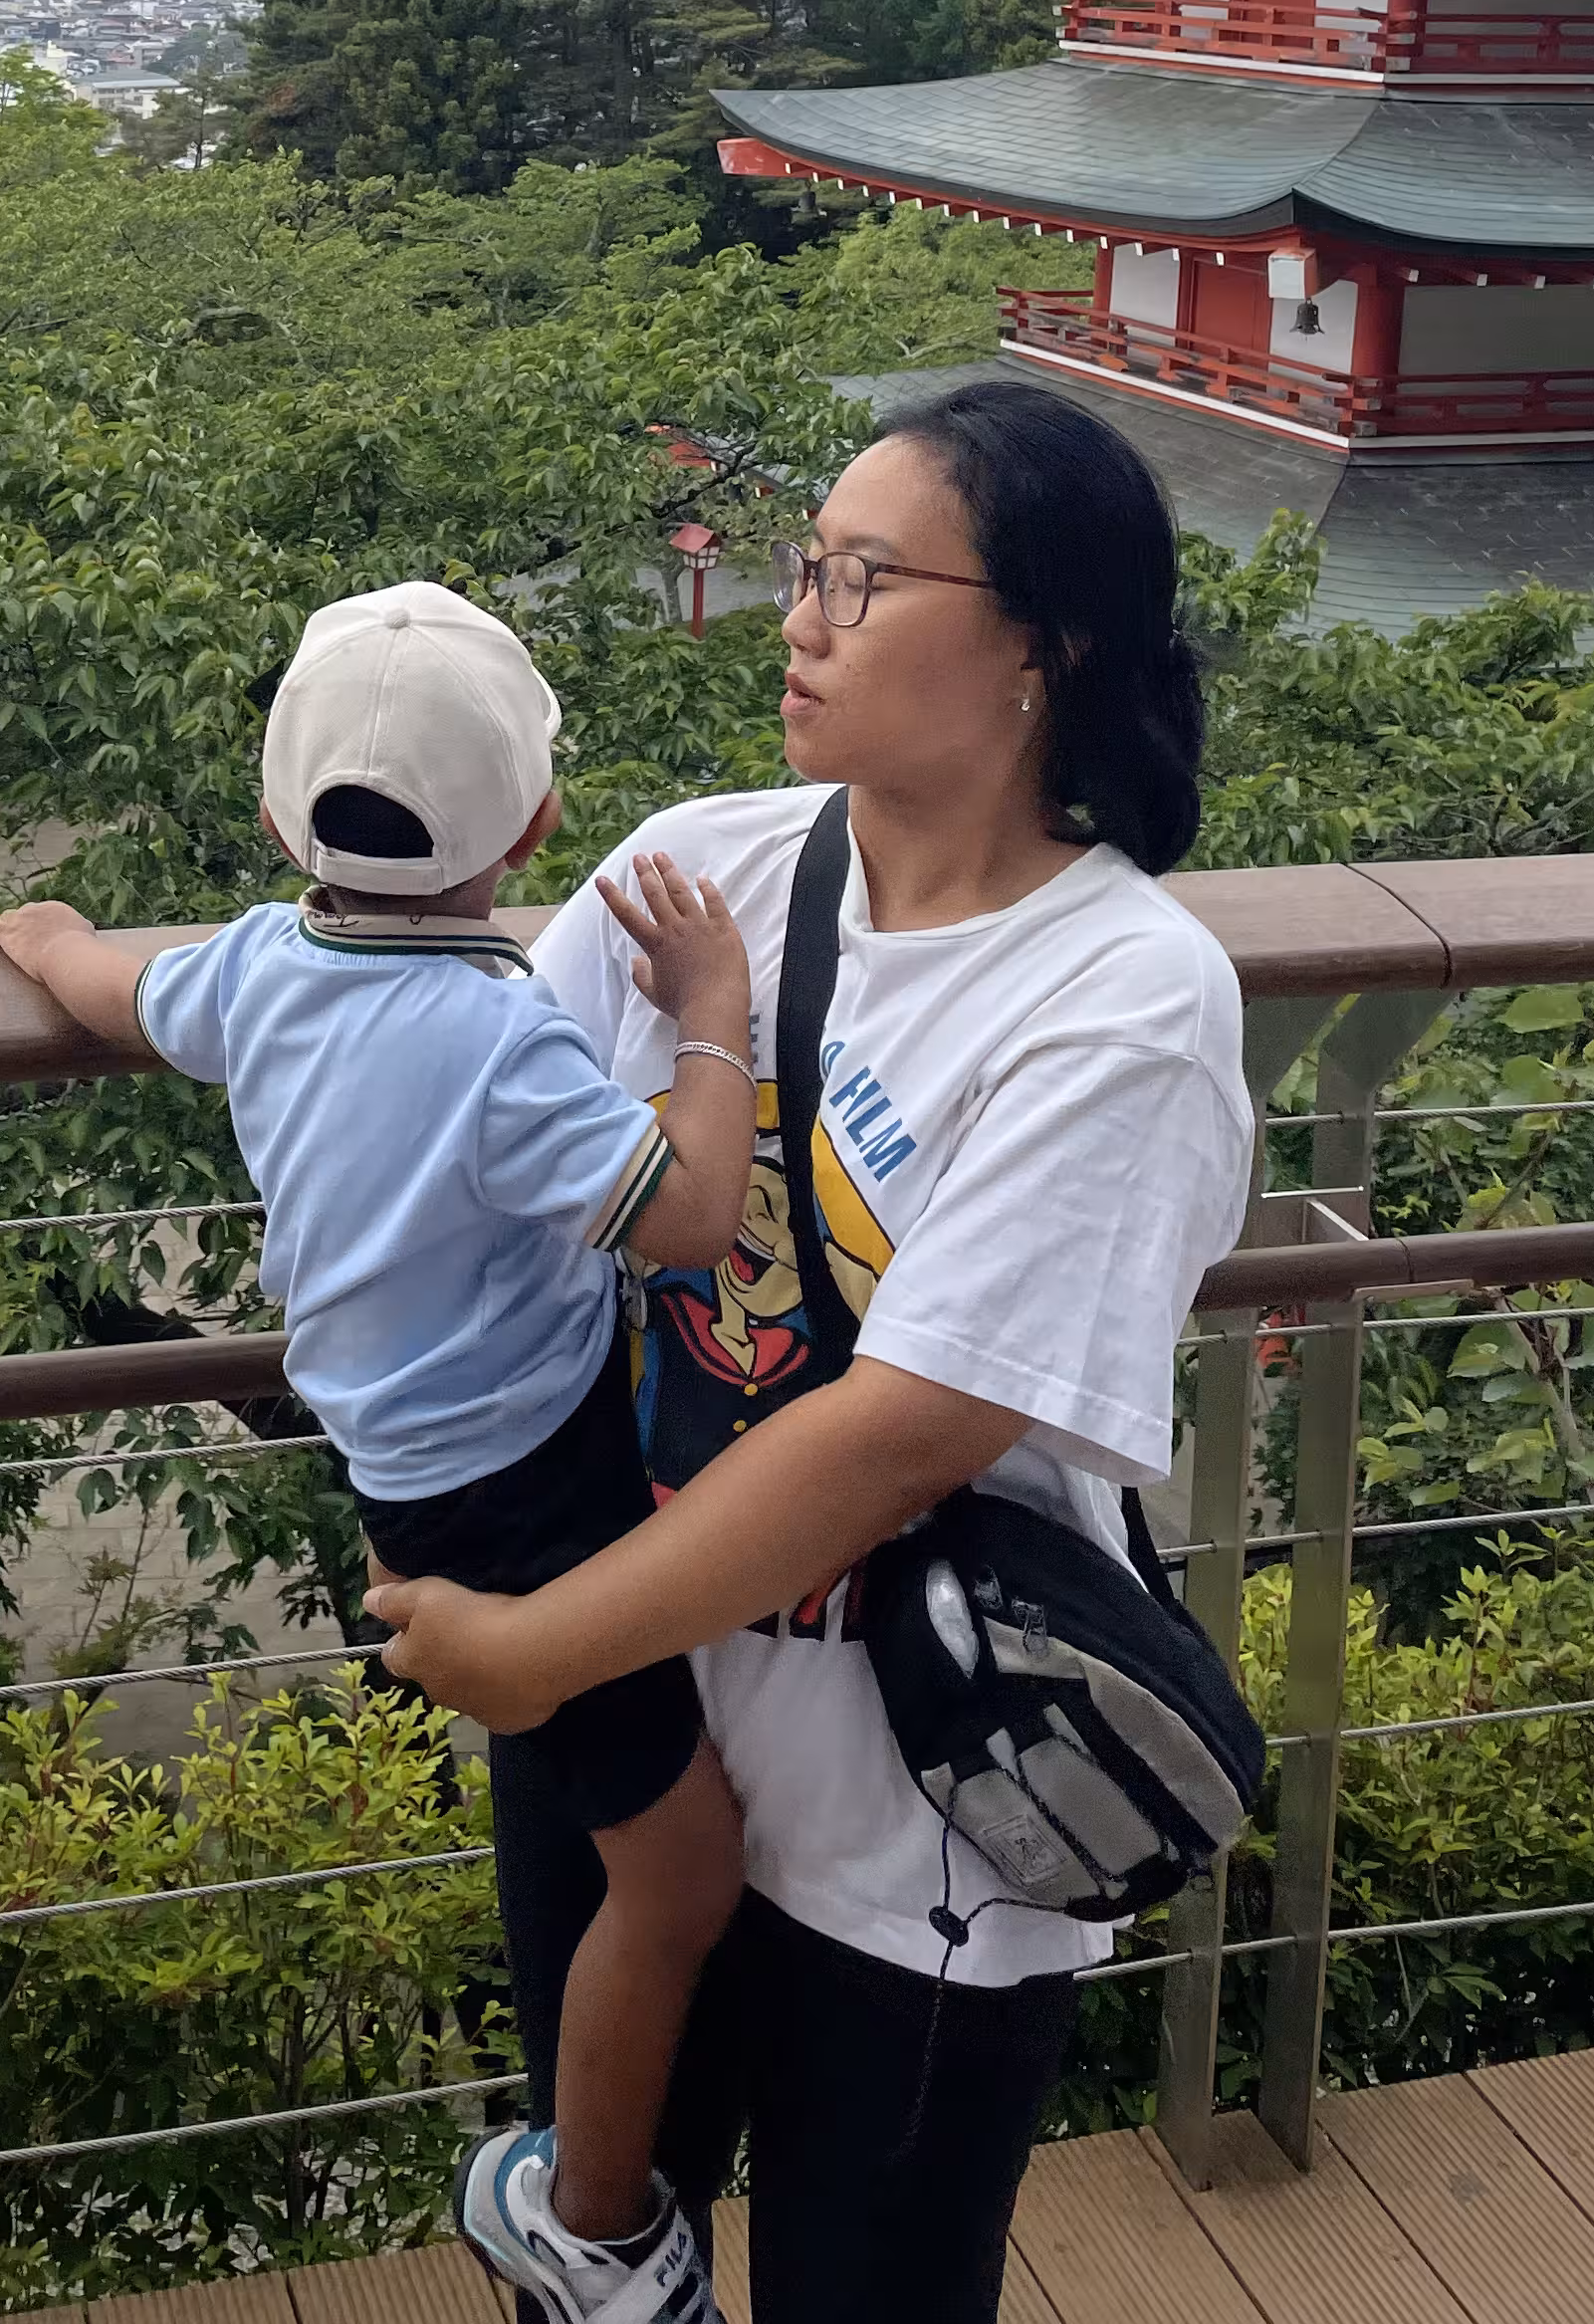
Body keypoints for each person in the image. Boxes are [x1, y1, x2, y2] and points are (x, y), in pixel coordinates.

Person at [370, 383, 1255, 2324]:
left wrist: (530, 1640)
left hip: (916, 1794)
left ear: (1045, 642)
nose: (802, 619)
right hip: (637, 1736)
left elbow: (902, 1431)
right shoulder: (706, 869)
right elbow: (494, 1179)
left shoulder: (1122, 998)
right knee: (597, 2268)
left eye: (868, 578)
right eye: (806, 568)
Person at [0, 581, 758, 2324]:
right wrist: (709, 1007)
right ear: (540, 827)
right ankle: (590, 2213)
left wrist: (39, 944)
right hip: (535, 1498)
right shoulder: (501, 1038)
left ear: (279, 819)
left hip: (402, 1477)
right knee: (683, 1867)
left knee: (597, 1803)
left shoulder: (259, 971)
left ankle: (584, 2173)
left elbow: (117, 986)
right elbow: (691, 1217)